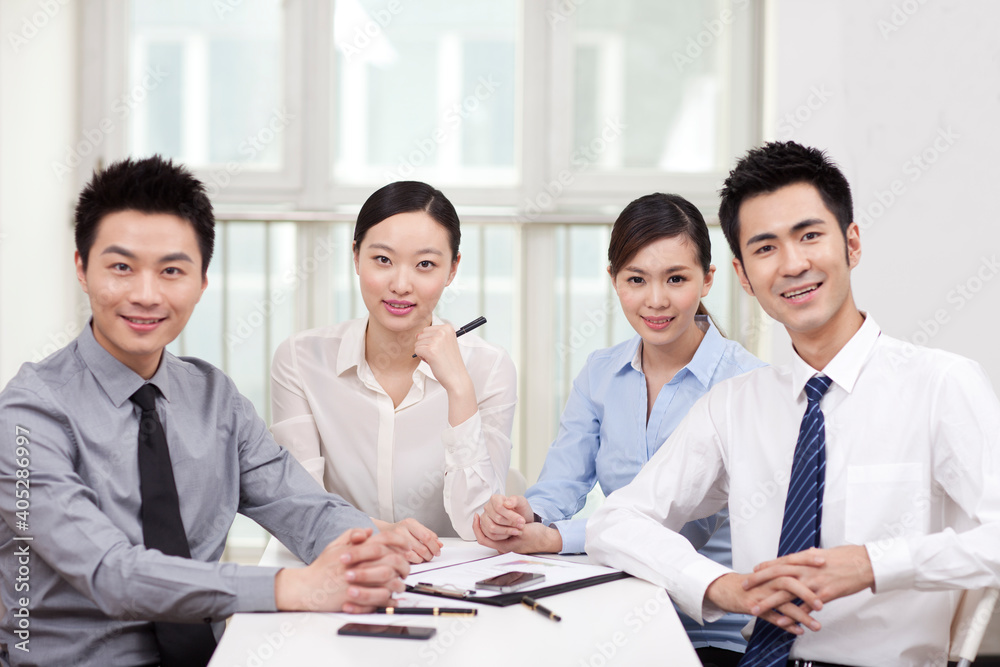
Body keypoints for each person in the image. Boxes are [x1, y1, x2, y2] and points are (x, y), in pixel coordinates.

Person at [587, 141, 1000, 667]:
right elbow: (614, 522)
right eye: (765, 248)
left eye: (809, 236)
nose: (793, 263)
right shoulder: (735, 406)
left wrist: (874, 564)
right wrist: (719, 585)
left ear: (851, 243)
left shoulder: (941, 384)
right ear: (742, 276)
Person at [0, 156, 412, 667]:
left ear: (202, 281)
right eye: (121, 267)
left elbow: (301, 505)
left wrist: (362, 551)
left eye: (171, 270)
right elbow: (110, 571)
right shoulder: (28, 413)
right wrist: (294, 586)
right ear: (82, 269)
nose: (145, 295)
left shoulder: (214, 397)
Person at [472, 193, 764, 665]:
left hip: (713, 629)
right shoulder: (601, 373)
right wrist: (528, 517)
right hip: (616, 604)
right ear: (614, 280)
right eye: (636, 279)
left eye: (676, 278)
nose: (656, 300)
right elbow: (562, 484)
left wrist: (556, 538)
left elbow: (683, 527)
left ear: (708, 279)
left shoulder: (745, 383)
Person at [270, 181, 517, 542]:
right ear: (355, 256)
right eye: (382, 260)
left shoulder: (489, 368)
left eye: (425, 264)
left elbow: (477, 523)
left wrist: (460, 388)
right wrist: (382, 534)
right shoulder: (300, 359)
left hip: (449, 576)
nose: (401, 284)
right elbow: (301, 510)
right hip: (342, 564)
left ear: (452, 270)